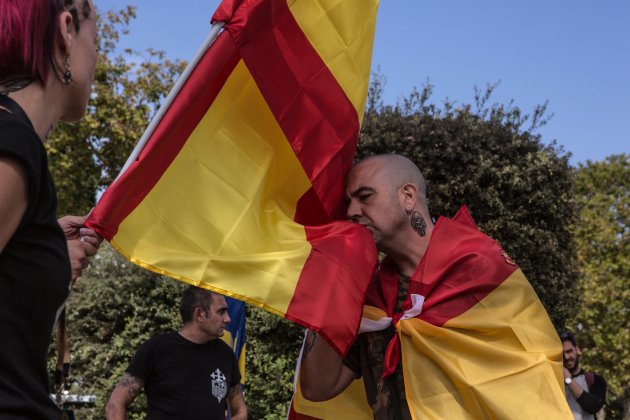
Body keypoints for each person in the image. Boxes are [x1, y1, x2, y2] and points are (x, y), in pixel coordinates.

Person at [298, 154, 568, 419]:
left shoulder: (478, 265)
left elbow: (533, 369)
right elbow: (317, 387)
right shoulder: (368, 297)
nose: (351, 212)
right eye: (349, 202)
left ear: (407, 196)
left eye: (365, 196)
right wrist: (332, 282)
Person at [0, 0, 100, 418]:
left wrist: (39, 246)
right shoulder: (11, 141)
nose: (98, 57)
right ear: (66, 30)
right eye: (97, 38)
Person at [105, 286, 247, 420]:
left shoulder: (226, 354)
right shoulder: (156, 349)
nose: (228, 319)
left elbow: (240, 411)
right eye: (221, 311)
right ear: (199, 314)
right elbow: (115, 405)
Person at [561, 331, 607, 419]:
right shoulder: (554, 382)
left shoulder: (595, 380)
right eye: (562, 354)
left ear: (577, 350)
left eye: (569, 351)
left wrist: (568, 379)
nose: (566, 357)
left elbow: (592, 407)